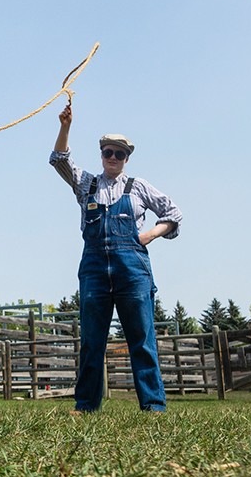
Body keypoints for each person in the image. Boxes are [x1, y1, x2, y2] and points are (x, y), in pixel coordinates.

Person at [50, 104, 183, 413]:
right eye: (108, 152)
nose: (113, 158)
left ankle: (153, 405)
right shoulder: (87, 185)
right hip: (95, 269)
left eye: (119, 154)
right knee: (92, 341)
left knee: (142, 339)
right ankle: (85, 406)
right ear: (101, 155)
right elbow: (59, 160)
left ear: (127, 158)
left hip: (133, 270)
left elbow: (174, 214)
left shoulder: (139, 187)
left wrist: (149, 235)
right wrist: (65, 126)